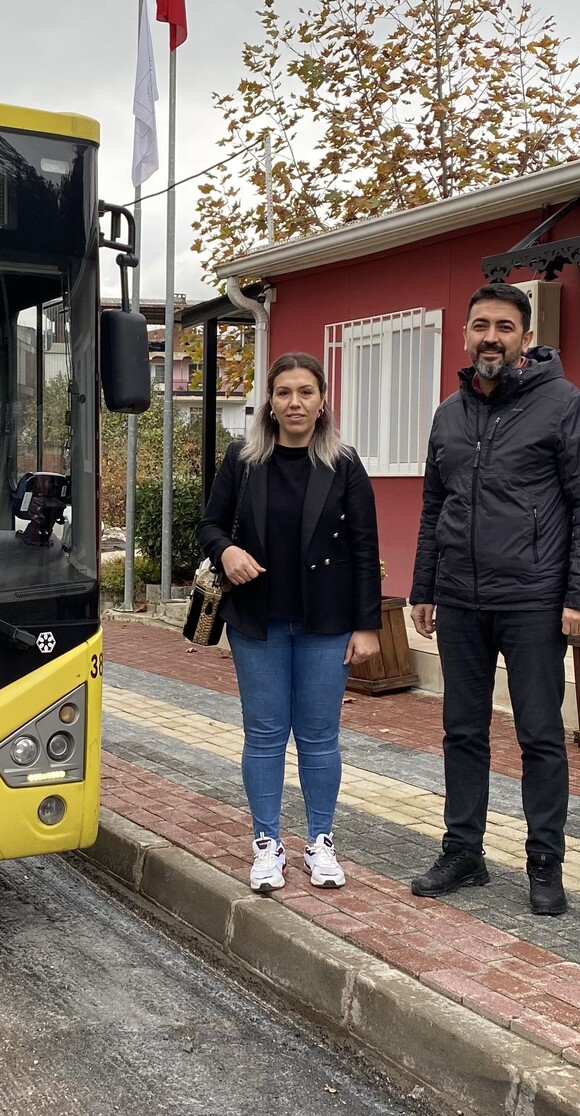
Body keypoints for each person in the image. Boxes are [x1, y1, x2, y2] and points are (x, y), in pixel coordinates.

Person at [409, 283, 580, 916]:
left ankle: (544, 862)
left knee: (540, 734)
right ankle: (463, 851)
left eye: (503, 326)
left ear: (526, 337)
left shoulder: (565, 405)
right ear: (465, 336)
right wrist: (423, 586)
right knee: (462, 730)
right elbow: (434, 506)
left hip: (532, 599)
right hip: (461, 600)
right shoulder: (449, 412)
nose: (490, 336)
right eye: (479, 326)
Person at [197, 352, 383, 894]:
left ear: (322, 401)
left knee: (321, 737)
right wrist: (226, 550)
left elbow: (365, 546)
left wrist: (367, 625)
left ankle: (320, 841)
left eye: (305, 392)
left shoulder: (343, 462)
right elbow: (209, 524)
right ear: (269, 403)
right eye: (284, 393)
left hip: (326, 622)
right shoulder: (243, 459)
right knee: (264, 735)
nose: (295, 402)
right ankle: (266, 843)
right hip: (258, 620)